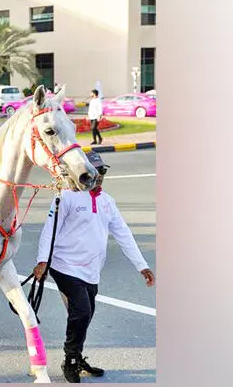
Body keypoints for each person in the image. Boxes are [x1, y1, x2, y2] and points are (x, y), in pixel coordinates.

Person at [33, 151, 155, 383]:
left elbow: (124, 234)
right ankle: (70, 360)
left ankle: (76, 356)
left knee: (85, 315)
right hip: (65, 265)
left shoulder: (107, 202)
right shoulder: (65, 197)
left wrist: (143, 266)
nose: (98, 175)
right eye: (94, 171)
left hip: (91, 270)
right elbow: (50, 230)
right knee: (82, 311)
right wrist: (43, 261)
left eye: (103, 171)